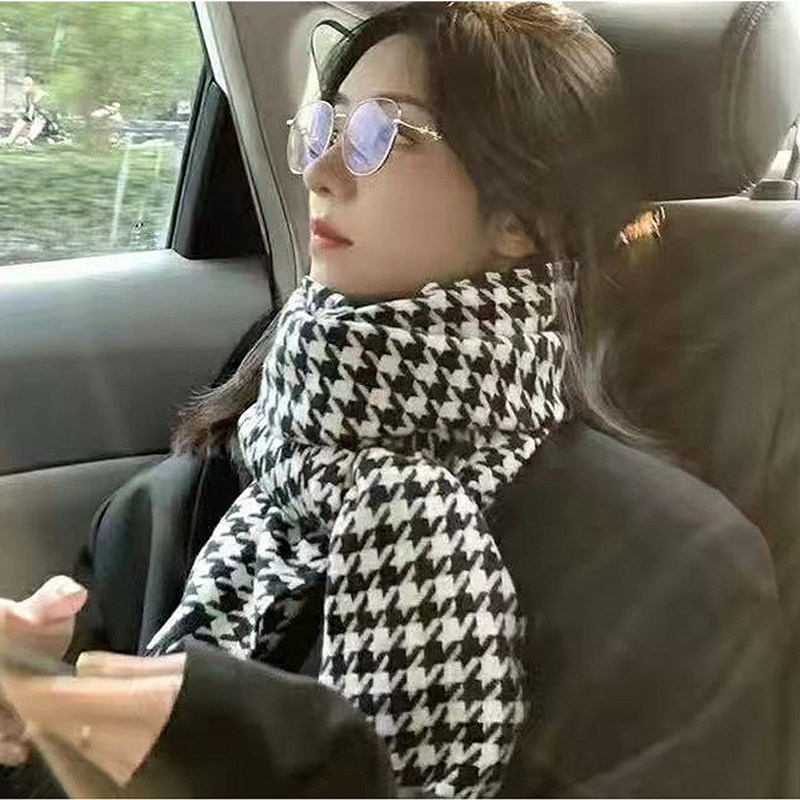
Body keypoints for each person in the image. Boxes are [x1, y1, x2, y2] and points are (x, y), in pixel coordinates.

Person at [0, 2, 783, 797]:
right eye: (326, 127)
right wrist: (32, 720)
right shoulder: (173, 511)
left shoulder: (668, 576)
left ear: (520, 216)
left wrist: (228, 742)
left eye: (386, 133)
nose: (320, 170)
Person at [1, 75, 58, 147]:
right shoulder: (29, 96)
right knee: (23, 119)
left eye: (27, 84)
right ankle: (10, 139)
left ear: (36, 85)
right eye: (23, 84)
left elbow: (42, 120)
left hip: (49, 130)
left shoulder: (45, 99)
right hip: (37, 129)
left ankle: (28, 140)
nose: (23, 87)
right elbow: (26, 117)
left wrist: (29, 138)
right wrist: (11, 138)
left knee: (39, 119)